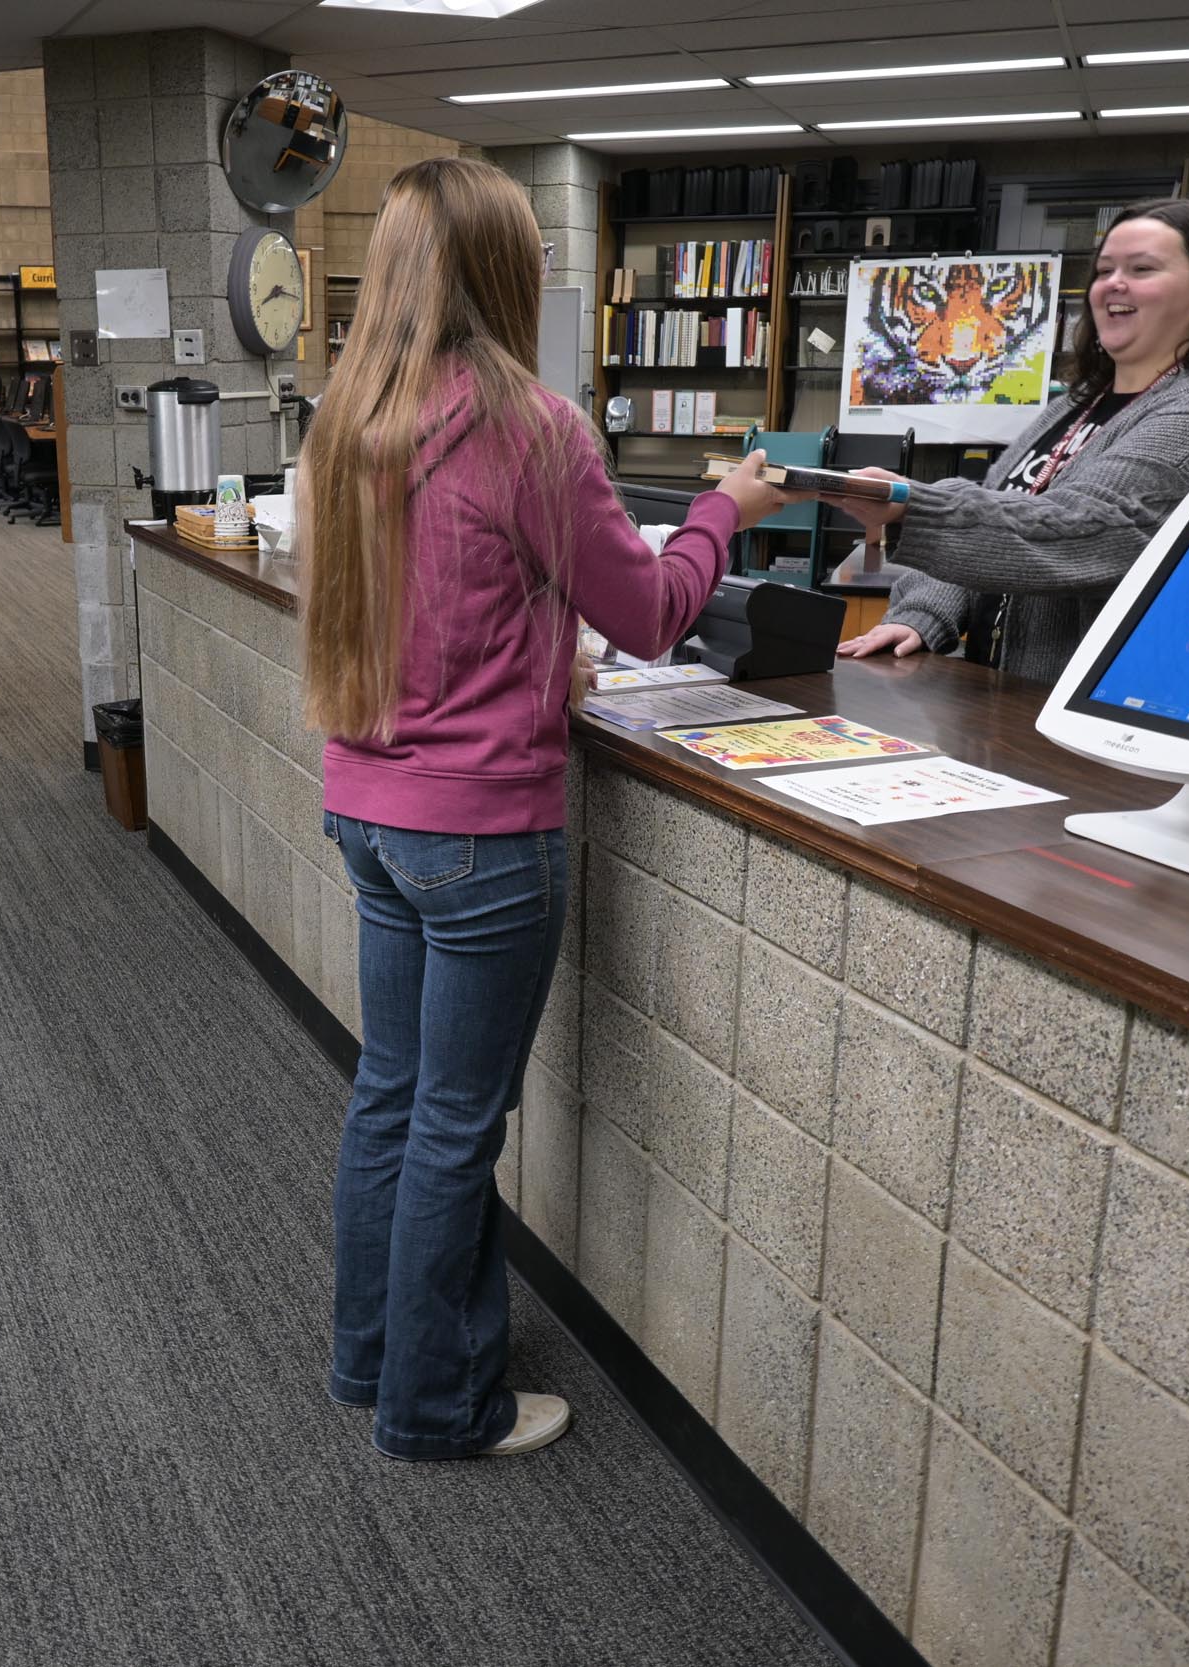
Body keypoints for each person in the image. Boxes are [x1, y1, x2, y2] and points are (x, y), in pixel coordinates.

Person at [300, 156, 810, 1461]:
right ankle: (436, 1404)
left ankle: (372, 1360)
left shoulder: (349, 413)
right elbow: (646, 610)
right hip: (479, 831)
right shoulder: (533, 425)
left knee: (392, 1098)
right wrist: (723, 509)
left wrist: (534, 648)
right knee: (456, 1124)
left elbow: (426, 605)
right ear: (505, 271)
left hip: (366, 805)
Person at [832, 199, 1189, 684]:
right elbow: (998, 512)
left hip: (1131, 719)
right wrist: (920, 614)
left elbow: (1081, 533)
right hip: (1014, 700)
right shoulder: (1079, 404)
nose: (1114, 283)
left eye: (1142, 269)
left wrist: (913, 507)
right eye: (1105, 269)